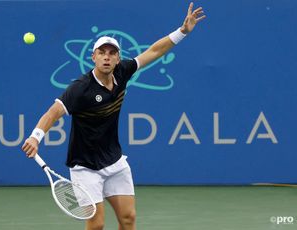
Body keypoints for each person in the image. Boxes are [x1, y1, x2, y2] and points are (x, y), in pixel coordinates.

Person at [22, 2, 205, 230]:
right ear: (93, 57)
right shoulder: (80, 89)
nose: (107, 57)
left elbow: (154, 52)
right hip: (85, 167)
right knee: (96, 225)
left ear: (118, 58)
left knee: (128, 219)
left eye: (112, 53)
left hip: (114, 161)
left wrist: (183, 31)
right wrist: (35, 137)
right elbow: (53, 112)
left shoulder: (123, 71)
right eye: (102, 53)